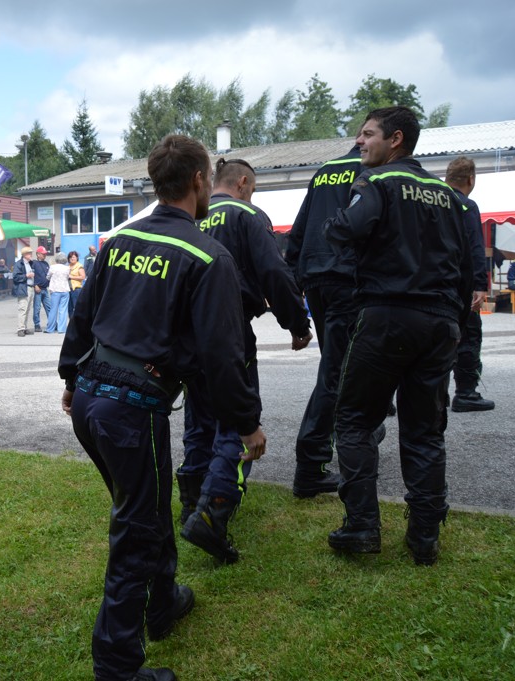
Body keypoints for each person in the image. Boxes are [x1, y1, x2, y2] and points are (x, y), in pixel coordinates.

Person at [59, 134, 266, 681]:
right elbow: (224, 355)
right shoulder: (207, 255)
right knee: (137, 529)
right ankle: (118, 668)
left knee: (146, 511)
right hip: (130, 409)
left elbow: (83, 316)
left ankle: (163, 601)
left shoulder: (120, 240)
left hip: (90, 399)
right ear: (199, 180)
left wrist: (70, 378)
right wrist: (247, 424)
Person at [325, 106, 471, 566]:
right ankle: (425, 537)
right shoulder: (448, 195)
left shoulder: (378, 181)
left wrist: (335, 223)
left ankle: (362, 526)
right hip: (441, 323)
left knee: (353, 420)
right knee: (425, 431)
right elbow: (467, 264)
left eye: (367, 134)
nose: (359, 142)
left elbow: (347, 228)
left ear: (396, 140)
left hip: (388, 315)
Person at [178, 158, 312, 563]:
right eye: (252, 189)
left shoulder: (191, 215)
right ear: (242, 183)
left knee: (199, 422)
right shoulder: (248, 216)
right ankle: (213, 513)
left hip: (187, 336)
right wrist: (297, 323)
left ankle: (191, 503)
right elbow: (274, 272)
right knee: (238, 421)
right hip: (230, 329)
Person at [284, 144, 365, 497]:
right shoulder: (370, 170)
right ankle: (311, 463)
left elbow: (299, 229)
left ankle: (358, 429)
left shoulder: (325, 171)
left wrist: (296, 278)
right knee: (337, 372)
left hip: (316, 277)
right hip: (346, 278)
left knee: (339, 367)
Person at [445, 156, 494, 412]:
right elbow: (475, 246)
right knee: (469, 336)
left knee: (437, 338)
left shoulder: (434, 199)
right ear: (471, 179)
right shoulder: (466, 205)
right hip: (461, 284)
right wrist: (480, 285)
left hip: (434, 284)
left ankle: (434, 393)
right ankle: (466, 393)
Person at [13, 246, 35, 337]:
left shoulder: (30, 263)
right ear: (25, 254)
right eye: (29, 253)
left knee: (27, 309)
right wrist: (26, 275)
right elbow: (15, 277)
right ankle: (20, 329)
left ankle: (24, 327)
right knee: (22, 309)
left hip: (30, 287)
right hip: (23, 288)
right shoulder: (19, 264)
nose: (31, 255)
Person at [31, 246, 52, 332]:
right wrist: (35, 285)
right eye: (43, 254)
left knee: (49, 307)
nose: (45, 255)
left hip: (45, 289)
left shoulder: (46, 264)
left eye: (45, 254)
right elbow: (31, 276)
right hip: (38, 289)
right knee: (37, 308)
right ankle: (37, 324)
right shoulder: (34, 263)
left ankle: (51, 323)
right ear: (38, 254)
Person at [67, 251, 86, 317]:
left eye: (73, 257)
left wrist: (72, 277)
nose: (72, 258)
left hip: (76, 289)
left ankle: (78, 321)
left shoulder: (79, 266)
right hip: (68, 289)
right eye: (70, 257)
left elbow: (83, 277)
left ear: (77, 258)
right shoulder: (68, 266)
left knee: (77, 307)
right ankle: (71, 321)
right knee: (69, 308)